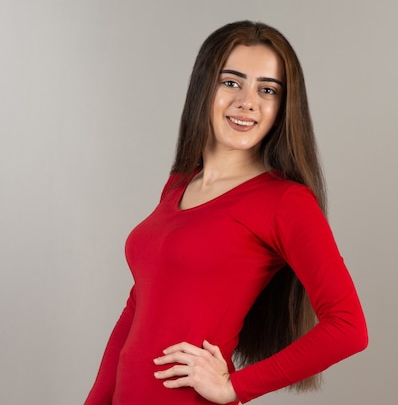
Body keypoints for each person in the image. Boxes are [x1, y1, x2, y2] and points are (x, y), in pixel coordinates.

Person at [85, 20, 368, 405]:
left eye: (267, 90)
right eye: (231, 82)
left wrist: (235, 387)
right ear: (205, 88)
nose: (247, 102)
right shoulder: (179, 184)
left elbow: (349, 327)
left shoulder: (284, 201)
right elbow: (139, 305)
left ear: (282, 107)